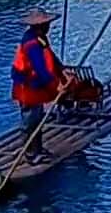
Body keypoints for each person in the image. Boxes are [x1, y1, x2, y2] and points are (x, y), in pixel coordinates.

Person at [10, 9, 68, 163]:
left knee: (37, 117)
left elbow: (50, 56)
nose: (49, 26)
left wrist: (61, 69)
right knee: (30, 119)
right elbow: (40, 68)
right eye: (46, 24)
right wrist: (56, 85)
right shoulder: (31, 43)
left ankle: (38, 149)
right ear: (40, 26)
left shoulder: (40, 38)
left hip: (36, 84)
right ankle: (30, 153)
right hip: (27, 86)